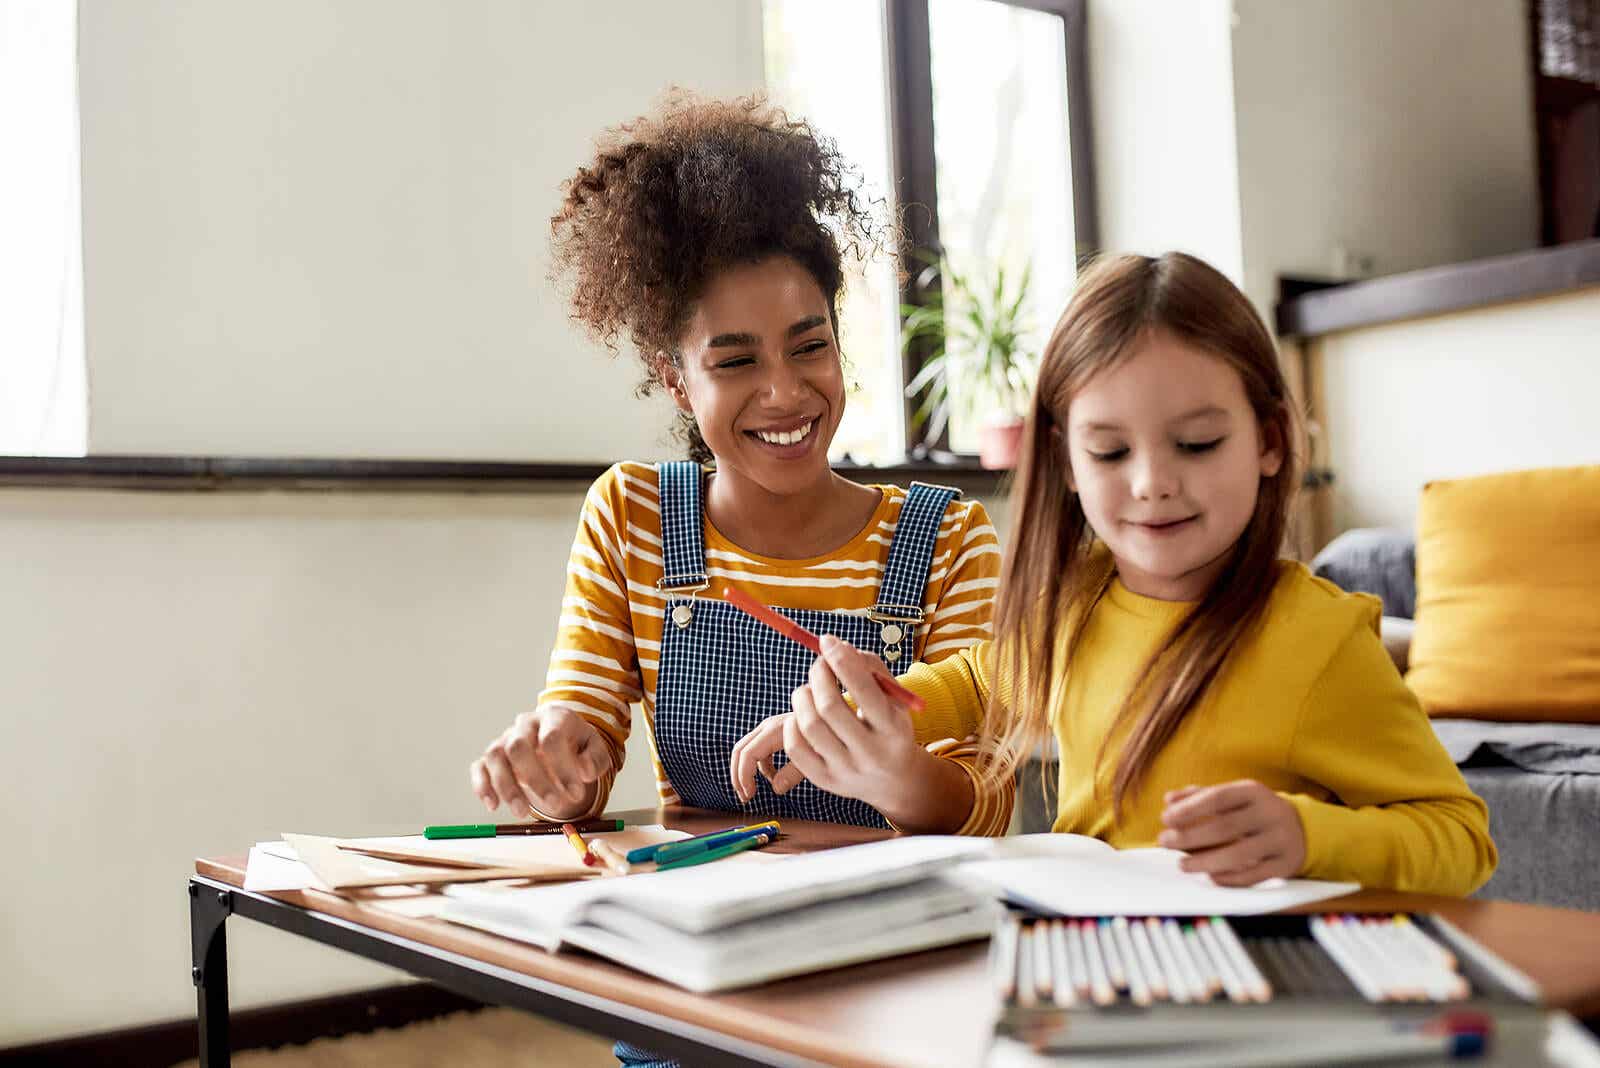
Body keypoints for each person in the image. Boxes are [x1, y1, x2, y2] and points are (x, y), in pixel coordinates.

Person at [743, 251, 1496, 897]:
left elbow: (1460, 841)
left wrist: (1308, 837)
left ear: (1269, 441)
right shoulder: (1076, 600)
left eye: (1197, 443)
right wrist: (865, 706)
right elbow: (981, 682)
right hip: (1086, 950)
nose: (1151, 483)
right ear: (1067, 461)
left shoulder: (1319, 638)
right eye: (1109, 452)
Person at [468, 91, 1013, 843]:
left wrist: (897, 773)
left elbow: (987, 805)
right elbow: (579, 772)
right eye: (734, 361)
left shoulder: (950, 538)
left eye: (810, 345)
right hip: (699, 932)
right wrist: (554, 765)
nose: (786, 392)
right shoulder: (633, 517)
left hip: (892, 929)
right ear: (676, 379)